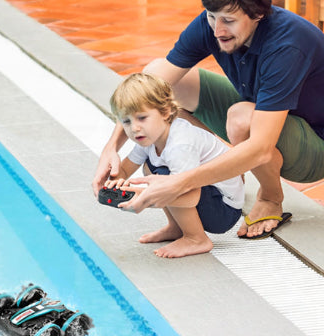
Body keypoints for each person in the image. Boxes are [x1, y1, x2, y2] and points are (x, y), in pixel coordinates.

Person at [92, 0, 324, 239]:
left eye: (229, 21)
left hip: (316, 146)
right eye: (212, 17)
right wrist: (111, 149)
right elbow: (147, 92)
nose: (217, 31)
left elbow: (261, 149)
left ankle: (270, 198)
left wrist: (179, 183)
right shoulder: (213, 22)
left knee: (241, 119)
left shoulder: (288, 44)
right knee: (159, 78)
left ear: (257, 15)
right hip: (264, 111)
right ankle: (231, 170)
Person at [103, 73, 244, 257]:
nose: (134, 128)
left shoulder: (180, 145)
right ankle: (177, 227)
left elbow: (190, 197)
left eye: (142, 118)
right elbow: (124, 169)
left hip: (223, 209)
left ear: (165, 112)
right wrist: (112, 183)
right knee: (152, 168)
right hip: (205, 193)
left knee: (163, 177)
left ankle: (196, 238)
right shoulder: (150, 137)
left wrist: (146, 198)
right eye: (127, 121)